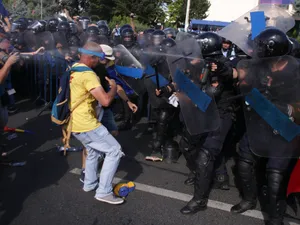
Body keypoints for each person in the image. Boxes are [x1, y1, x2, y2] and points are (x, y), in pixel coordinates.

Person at [70, 42, 124, 205]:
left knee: (93, 152)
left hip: (74, 123)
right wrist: (113, 87)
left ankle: (89, 183)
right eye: (98, 58)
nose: (99, 62)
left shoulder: (74, 67)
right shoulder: (88, 75)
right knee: (115, 151)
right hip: (86, 123)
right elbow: (106, 101)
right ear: (91, 57)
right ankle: (104, 191)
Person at [80, 44, 138, 183]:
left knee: (113, 132)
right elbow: (106, 97)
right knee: (90, 145)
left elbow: (116, 86)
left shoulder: (103, 69)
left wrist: (128, 101)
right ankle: (85, 171)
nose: (109, 61)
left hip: (104, 109)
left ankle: (99, 158)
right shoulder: (87, 72)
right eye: (106, 59)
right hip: (91, 110)